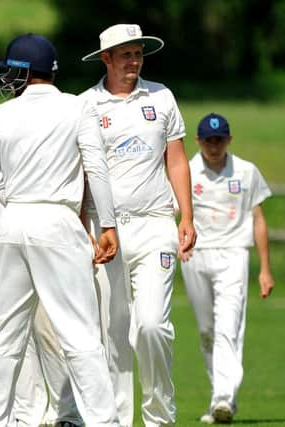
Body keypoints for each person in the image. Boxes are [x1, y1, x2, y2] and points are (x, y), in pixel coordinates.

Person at [0, 33, 120, 427]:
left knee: (3, 336)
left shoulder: (0, 116)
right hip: (58, 220)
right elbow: (97, 168)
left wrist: (23, 200)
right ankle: (104, 422)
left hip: (14, 219)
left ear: (24, 73)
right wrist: (106, 224)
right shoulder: (78, 107)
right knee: (81, 335)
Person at [79, 24, 197, 426]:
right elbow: (80, 172)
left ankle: (160, 417)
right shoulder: (86, 105)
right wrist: (82, 227)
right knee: (112, 332)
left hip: (156, 224)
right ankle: (114, 419)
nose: (134, 61)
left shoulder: (161, 96)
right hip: (105, 229)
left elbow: (176, 159)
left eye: (138, 53)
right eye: (126, 54)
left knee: (150, 325)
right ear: (106, 59)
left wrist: (187, 215)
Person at [181, 113, 274, 424]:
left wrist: (265, 269)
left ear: (229, 140)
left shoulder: (246, 171)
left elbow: (258, 218)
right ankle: (219, 396)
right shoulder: (186, 172)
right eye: (209, 140)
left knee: (227, 328)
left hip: (234, 254)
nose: (214, 146)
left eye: (219, 140)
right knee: (207, 331)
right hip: (196, 255)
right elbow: (170, 212)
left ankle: (223, 398)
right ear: (198, 141)